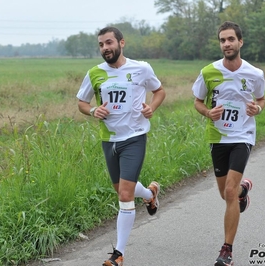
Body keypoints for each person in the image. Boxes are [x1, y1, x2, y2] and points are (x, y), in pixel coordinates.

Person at [76, 26, 166, 266]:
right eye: (101, 45)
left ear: (121, 43)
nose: (105, 48)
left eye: (109, 43)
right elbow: (81, 103)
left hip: (135, 137)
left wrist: (152, 108)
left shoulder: (141, 68)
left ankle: (118, 254)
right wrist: (94, 110)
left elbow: (159, 91)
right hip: (109, 139)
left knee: (125, 195)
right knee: (122, 189)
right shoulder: (95, 73)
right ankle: (149, 194)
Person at [192, 21, 265, 266]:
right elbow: (198, 101)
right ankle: (244, 190)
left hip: (243, 136)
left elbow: (262, 99)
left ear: (240, 42)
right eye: (222, 40)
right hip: (217, 137)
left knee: (229, 192)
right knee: (226, 194)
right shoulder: (208, 72)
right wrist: (207, 113)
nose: (226, 44)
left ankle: (227, 251)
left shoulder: (254, 74)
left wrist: (258, 108)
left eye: (230, 39)